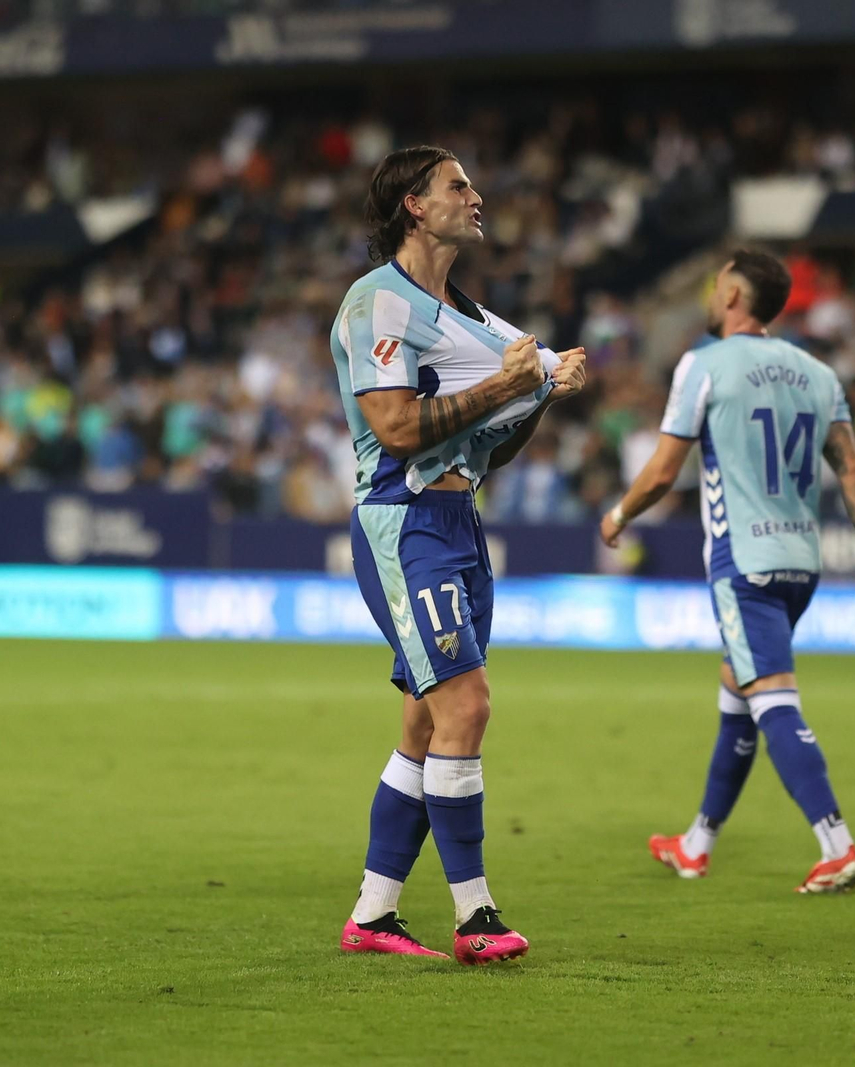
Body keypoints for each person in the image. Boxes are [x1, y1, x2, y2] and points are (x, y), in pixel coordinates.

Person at [330, 146, 586, 964]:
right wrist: (510, 386)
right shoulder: (378, 302)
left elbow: (493, 448)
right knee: (466, 706)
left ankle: (374, 915)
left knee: (425, 721)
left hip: (460, 523)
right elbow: (399, 430)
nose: (476, 196)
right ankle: (476, 917)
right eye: (458, 184)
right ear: (415, 205)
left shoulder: (477, 321)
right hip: (404, 523)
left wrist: (538, 394)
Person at [600, 249, 855, 894]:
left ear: (734, 295)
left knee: (773, 700)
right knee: (739, 692)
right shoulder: (817, 373)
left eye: (715, 286)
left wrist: (619, 514)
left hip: (744, 564)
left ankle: (837, 845)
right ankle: (696, 844)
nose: (710, 295)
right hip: (801, 562)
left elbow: (661, 470)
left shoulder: (703, 365)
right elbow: (850, 469)